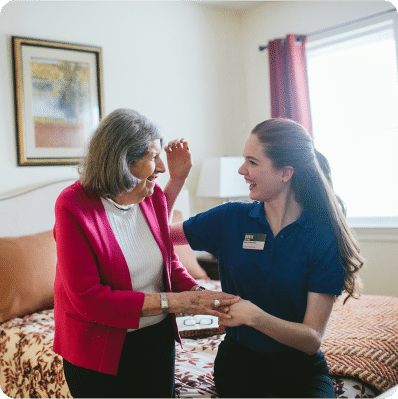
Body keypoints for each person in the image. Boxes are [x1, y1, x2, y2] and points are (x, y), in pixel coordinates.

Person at [170, 118, 364, 398]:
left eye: (252, 162)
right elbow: (159, 235)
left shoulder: (322, 236)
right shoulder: (230, 219)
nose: (241, 170)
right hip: (240, 364)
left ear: (285, 173)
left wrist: (255, 316)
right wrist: (177, 180)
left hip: (301, 369)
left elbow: (311, 340)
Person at [53, 108, 240, 399]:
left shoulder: (150, 197)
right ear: (123, 161)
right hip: (99, 351)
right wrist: (177, 301)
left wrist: (201, 295)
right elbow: (88, 298)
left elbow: (168, 265)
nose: (162, 168)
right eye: (154, 157)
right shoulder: (73, 205)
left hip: (156, 341)